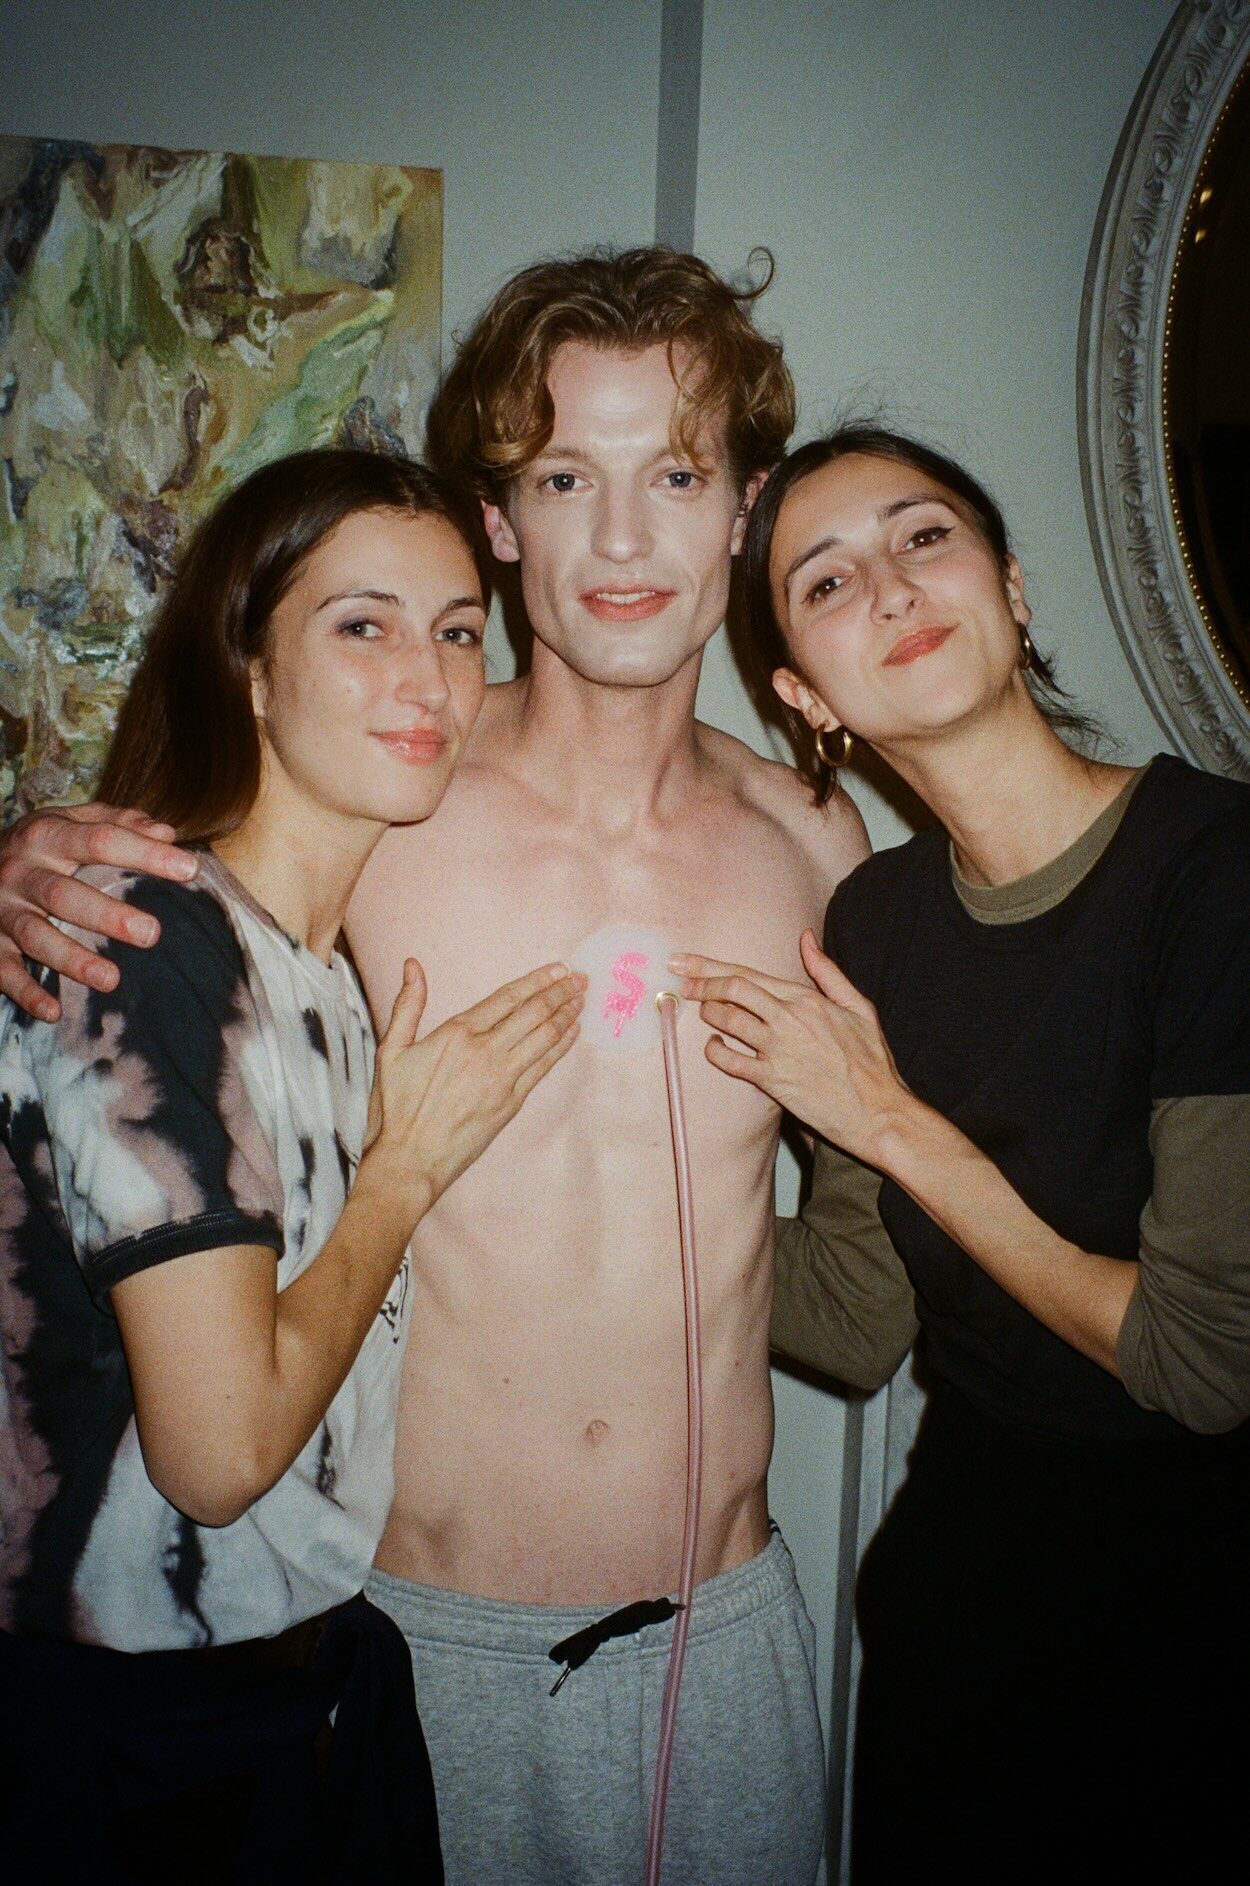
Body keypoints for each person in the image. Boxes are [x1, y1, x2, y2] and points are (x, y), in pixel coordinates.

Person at [0, 250, 869, 1885]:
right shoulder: (378, 795)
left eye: (676, 475)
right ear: (500, 517)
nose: (623, 540)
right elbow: (145, 950)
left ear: (744, 508)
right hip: (411, 1644)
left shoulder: (819, 847)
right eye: (566, 477)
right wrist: (20, 858)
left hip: (716, 1641)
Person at [674, 424, 1250, 1884]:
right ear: (807, 697)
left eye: (922, 535)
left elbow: (1203, 1361)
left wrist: (887, 1122)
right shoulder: (873, 924)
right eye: (826, 579)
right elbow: (853, 1315)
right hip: (965, 1611)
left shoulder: (1215, 874)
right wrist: (598, 1166)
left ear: (1012, 585)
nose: (889, 585)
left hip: (1197, 1626)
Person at [0, 447, 584, 1884]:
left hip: (290, 1695)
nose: (430, 678)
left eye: (459, 630)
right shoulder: (149, 941)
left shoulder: (321, 969)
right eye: (362, 624)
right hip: (123, 1742)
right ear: (252, 667)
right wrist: (405, 1173)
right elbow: (218, 1459)